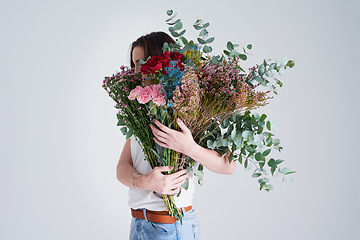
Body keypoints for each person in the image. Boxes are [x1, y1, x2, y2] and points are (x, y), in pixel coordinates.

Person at [116, 31, 236, 240]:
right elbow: (122, 168)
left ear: (161, 61)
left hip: (168, 227)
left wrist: (188, 147)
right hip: (139, 225)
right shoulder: (142, 110)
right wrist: (145, 181)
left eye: (143, 62)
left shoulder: (190, 108)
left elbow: (228, 166)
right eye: (134, 64)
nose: (137, 71)